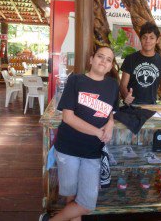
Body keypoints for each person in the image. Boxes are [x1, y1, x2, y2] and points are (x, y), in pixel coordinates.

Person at [39, 46, 119, 221]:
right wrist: (98, 132)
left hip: (93, 152)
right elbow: (68, 117)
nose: (103, 61)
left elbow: (111, 109)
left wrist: (111, 122)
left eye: (108, 59)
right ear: (91, 59)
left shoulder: (112, 85)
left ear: (111, 65)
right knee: (71, 196)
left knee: (86, 204)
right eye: (100, 56)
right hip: (68, 148)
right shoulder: (76, 80)